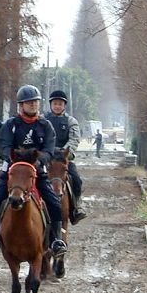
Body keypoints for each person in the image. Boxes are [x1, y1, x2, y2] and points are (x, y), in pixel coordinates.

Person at [0, 84, 67, 260]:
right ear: (21, 105)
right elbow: (4, 146)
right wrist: (12, 159)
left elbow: (49, 149)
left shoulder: (45, 125)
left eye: (35, 102)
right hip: (13, 172)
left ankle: (56, 241)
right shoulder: (10, 125)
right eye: (29, 103)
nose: (33, 105)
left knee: (54, 204)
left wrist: (38, 162)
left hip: (37, 172)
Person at [44, 89, 87, 224]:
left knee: (77, 180)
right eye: (55, 103)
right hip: (46, 158)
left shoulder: (71, 121)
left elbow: (74, 139)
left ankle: (76, 207)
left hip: (63, 158)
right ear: (50, 104)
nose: (57, 106)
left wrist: (65, 152)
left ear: (64, 106)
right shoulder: (43, 120)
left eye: (60, 104)